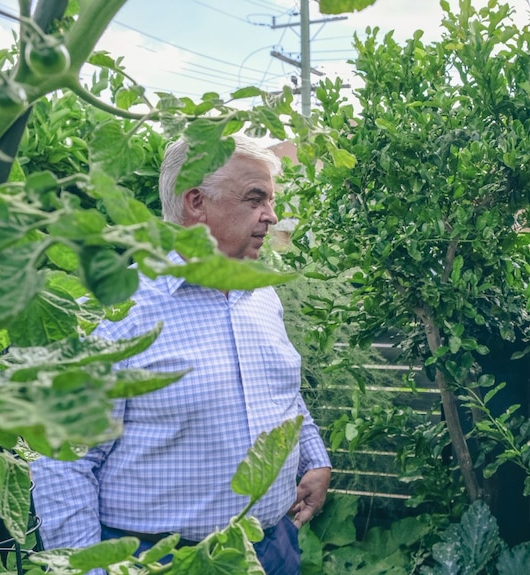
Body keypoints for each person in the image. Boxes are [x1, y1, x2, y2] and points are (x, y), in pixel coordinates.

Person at [31, 134, 332, 575]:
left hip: (272, 549)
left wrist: (314, 457)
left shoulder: (262, 293)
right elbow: (62, 459)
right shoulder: (120, 309)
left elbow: (280, 389)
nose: (272, 216)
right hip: (159, 561)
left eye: (270, 200)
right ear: (196, 202)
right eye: (256, 199)